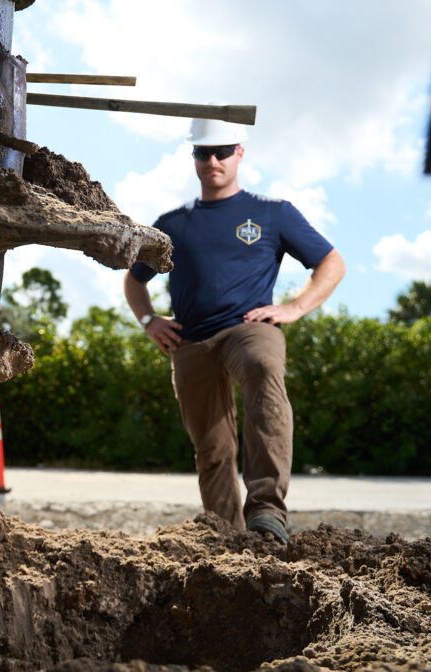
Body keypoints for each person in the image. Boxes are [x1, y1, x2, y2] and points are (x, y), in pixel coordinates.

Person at [124, 116, 345, 542]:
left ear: (239, 153)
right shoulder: (171, 224)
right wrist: (150, 320)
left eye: (222, 151)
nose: (213, 161)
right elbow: (135, 280)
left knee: (262, 365)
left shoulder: (273, 214)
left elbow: (331, 262)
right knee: (212, 446)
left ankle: (267, 513)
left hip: (248, 329)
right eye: (203, 152)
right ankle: (228, 535)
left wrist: (295, 308)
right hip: (190, 339)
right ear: (193, 157)